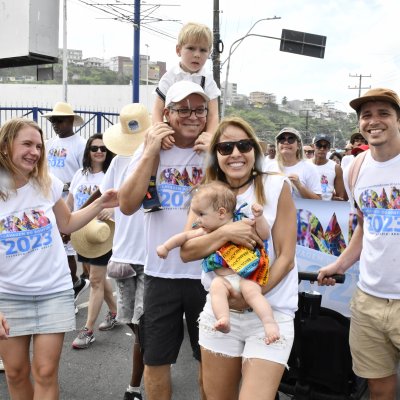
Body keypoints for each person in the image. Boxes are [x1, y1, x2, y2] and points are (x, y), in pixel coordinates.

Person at [180, 116, 298, 400]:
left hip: (271, 311)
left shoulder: (275, 186)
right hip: (221, 315)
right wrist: (226, 232)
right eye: (226, 148)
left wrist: (251, 295)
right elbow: (187, 251)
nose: (235, 154)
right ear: (216, 155)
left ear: (254, 151)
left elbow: (286, 256)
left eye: (244, 145)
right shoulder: (207, 194)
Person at [0, 118, 118, 399]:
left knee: (45, 372)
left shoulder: (47, 183)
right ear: (5, 146)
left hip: (53, 292)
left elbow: (66, 224)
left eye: (39, 146)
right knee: (15, 373)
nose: (35, 152)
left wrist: (100, 203)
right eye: (27, 144)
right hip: (8, 296)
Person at [118, 81, 213, 400]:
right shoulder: (148, 152)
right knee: (155, 362)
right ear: (168, 114)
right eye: (183, 109)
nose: (192, 116)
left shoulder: (217, 150)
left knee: (210, 363)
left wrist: (214, 153)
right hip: (160, 275)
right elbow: (128, 204)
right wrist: (150, 152)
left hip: (209, 276)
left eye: (199, 109)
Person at [318, 87, 400, 400]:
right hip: (368, 300)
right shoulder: (356, 168)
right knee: (378, 388)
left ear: (398, 120)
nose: (374, 121)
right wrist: (339, 264)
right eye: (367, 115)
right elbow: (365, 226)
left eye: (384, 113)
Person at [157, 181, 279, 344]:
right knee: (216, 287)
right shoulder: (206, 231)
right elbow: (184, 237)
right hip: (225, 280)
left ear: (221, 212)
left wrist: (259, 217)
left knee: (253, 293)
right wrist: (166, 247)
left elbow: (264, 234)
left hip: (245, 276)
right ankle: (223, 319)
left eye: (201, 214)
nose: (198, 220)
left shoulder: (242, 222)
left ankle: (269, 323)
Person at [144, 21, 221, 213]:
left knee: (215, 154)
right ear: (178, 50)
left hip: (198, 131)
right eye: (191, 48)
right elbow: (157, 109)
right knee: (153, 149)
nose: (197, 54)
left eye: (203, 50)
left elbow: (213, 114)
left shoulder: (207, 80)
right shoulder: (170, 76)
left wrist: (209, 135)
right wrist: (160, 131)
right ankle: (150, 187)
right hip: (171, 129)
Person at [102, 103, 151, 400]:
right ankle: (149, 366)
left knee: (144, 326)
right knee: (133, 323)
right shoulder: (119, 161)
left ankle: (134, 387)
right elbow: (108, 198)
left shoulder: (162, 158)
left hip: (152, 257)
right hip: (123, 255)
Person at [67, 134, 119, 349]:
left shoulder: (112, 175)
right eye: (94, 148)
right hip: (82, 233)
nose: (99, 152)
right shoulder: (81, 174)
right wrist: (65, 225)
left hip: (102, 235)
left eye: (103, 149)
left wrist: (111, 209)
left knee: (96, 280)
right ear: (88, 151)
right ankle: (116, 312)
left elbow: (125, 201)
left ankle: (88, 330)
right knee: (95, 277)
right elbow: (70, 201)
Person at [42, 102, 90, 305]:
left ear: (71, 121)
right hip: (48, 202)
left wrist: (64, 187)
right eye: (53, 120)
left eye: (59, 120)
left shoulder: (81, 144)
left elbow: (86, 175)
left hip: (71, 203)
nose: (55, 124)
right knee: (56, 248)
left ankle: (75, 286)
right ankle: (73, 285)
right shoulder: (48, 144)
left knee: (74, 251)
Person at [274, 127, 322, 199]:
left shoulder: (309, 168)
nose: (286, 142)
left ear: (299, 145)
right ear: (278, 145)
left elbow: (318, 200)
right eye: (282, 139)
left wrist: (299, 186)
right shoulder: (269, 167)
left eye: (291, 139)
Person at [311, 133, 346, 201]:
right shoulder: (305, 164)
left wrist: (336, 199)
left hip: (326, 208)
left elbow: (340, 196)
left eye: (325, 146)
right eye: (319, 145)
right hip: (306, 205)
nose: (322, 149)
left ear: (329, 148)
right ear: (313, 146)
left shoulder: (336, 168)